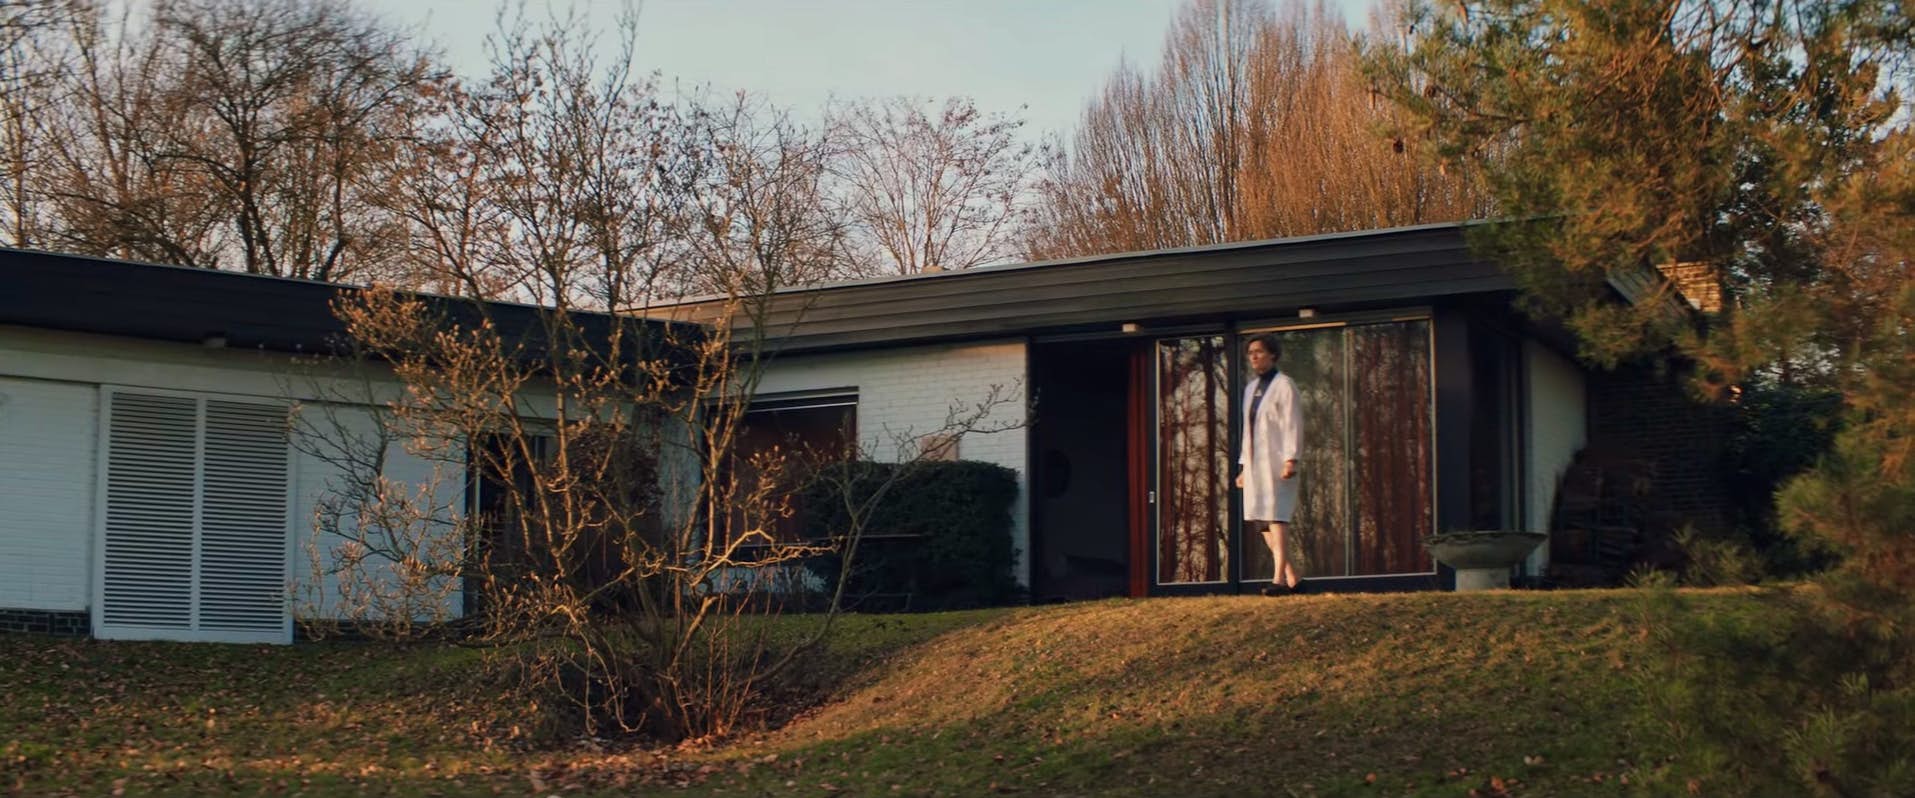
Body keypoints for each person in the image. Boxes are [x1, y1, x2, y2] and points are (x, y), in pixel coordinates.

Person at [1236, 333, 1304, 596]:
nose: (1254, 356)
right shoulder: (1251, 389)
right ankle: (1293, 576)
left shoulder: (1285, 386)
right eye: (1250, 352)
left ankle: (1279, 580)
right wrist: (1244, 466)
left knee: (1277, 516)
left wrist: (1291, 458)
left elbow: (1292, 423)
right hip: (1256, 465)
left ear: (1272, 354)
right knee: (1262, 522)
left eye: (1259, 351)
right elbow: (1249, 430)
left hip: (1277, 463)